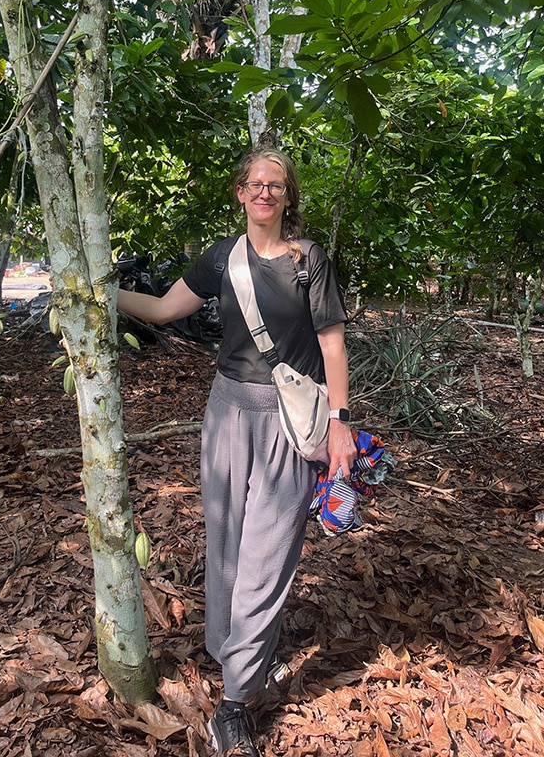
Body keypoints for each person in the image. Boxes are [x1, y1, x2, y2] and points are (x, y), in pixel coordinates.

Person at [117, 149, 356, 757]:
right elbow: (167, 309)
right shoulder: (221, 257)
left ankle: (233, 704)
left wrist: (340, 423)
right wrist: (97, 291)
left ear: (288, 196)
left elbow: (332, 344)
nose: (265, 193)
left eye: (276, 185)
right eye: (256, 183)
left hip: (289, 419)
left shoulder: (309, 262)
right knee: (225, 548)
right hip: (226, 413)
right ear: (241, 192)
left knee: (267, 558)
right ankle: (235, 658)